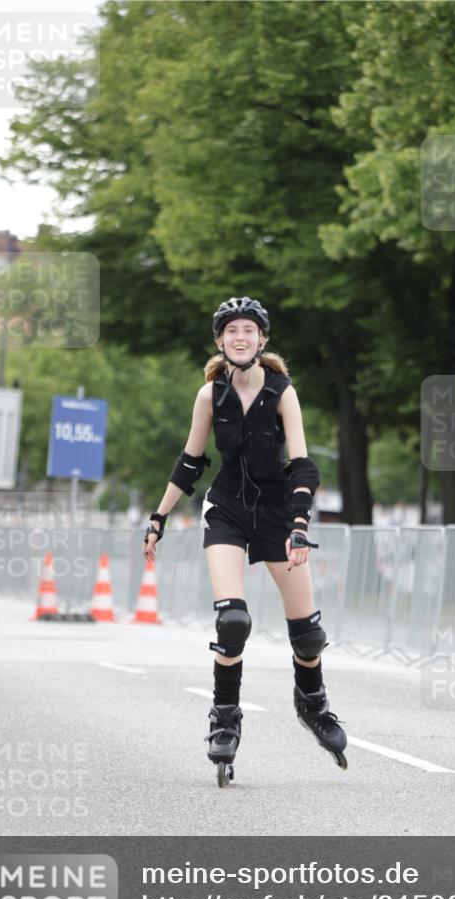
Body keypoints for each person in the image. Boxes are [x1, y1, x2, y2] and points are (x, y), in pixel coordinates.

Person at [142, 296, 347, 786]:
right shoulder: (209, 395)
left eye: (248, 330)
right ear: (220, 340)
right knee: (232, 621)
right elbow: (190, 463)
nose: (240, 337)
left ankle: (312, 703)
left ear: (262, 339)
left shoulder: (282, 392)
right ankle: (225, 719)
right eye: (231, 330)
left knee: (308, 636)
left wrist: (299, 525)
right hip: (228, 508)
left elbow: (303, 466)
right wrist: (158, 517)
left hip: (277, 513)